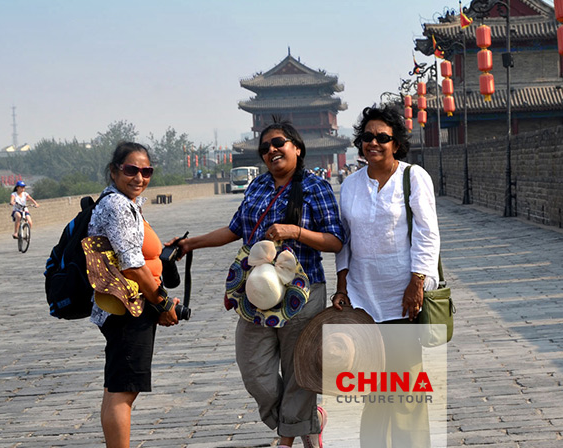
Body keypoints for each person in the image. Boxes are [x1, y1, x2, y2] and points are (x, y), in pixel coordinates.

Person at [175, 121, 343, 448]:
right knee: (255, 372)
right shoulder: (257, 187)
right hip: (257, 294)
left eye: (278, 143)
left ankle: (287, 440)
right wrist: (190, 244)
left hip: (302, 292)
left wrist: (294, 232)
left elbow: (335, 240)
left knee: (298, 373)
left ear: (296, 147)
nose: (271, 150)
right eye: (264, 147)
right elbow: (234, 229)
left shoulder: (315, 187)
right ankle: (309, 421)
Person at [332, 105, 441, 447]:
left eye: (382, 137)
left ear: (396, 143)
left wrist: (417, 283)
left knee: (406, 386)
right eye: (367, 137)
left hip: (402, 294)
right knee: (373, 388)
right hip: (363, 296)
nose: (373, 143)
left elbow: (427, 233)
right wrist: (341, 286)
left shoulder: (413, 176)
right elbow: (344, 240)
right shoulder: (350, 185)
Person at [88, 142, 181, 448]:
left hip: (126, 306)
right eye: (130, 170)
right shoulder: (117, 205)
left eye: (146, 171)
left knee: (118, 387)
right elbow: (131, 265)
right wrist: (164, 303)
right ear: (114, 171)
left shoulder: (124, 202)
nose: (139, 177)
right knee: (122, 392)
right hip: (127, 308)